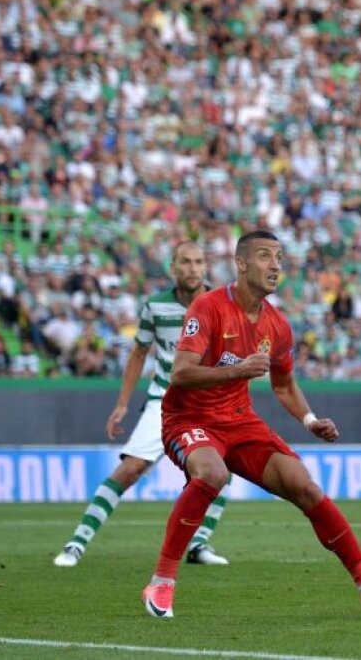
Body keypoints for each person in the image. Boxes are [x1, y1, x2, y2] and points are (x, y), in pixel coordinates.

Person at [141, 231, 361, 617]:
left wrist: (309, 419)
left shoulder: (278, 326)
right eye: (265, 256)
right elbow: (181, 373)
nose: (276, 265)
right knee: (212, 474)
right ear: (242, 263)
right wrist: (237, 372)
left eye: (280, 257)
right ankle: (162, 582)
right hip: (189, 419)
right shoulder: (208, 306)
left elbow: (284, 385)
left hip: (240, 422)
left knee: (306, 487)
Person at [55, 241, 231, 568]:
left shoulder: (221, 305)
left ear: (205, 267)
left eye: (198, 262)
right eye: (185, 262)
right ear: (173, 267)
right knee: (131, 468)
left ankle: (199, 543)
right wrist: (122, 404)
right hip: (164, 400)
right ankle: (76, 542)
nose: (193, 268)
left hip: (206, 404)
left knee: (220, 472)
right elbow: (138, 354)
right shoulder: (155, 306)